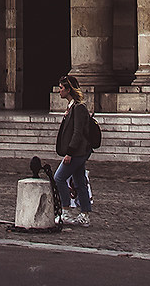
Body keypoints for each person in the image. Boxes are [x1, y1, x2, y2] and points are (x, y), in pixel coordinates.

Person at [51, 78, 99, 226]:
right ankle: (85, 215)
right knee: (79, 182)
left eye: (61, 88)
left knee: (59, 178)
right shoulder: (72, 107)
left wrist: (70, 153)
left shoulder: (78, 108)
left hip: (78, 152)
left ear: (68, 90)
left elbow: (77, 133)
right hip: (79, 151)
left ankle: (65, 211)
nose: (59, 91)